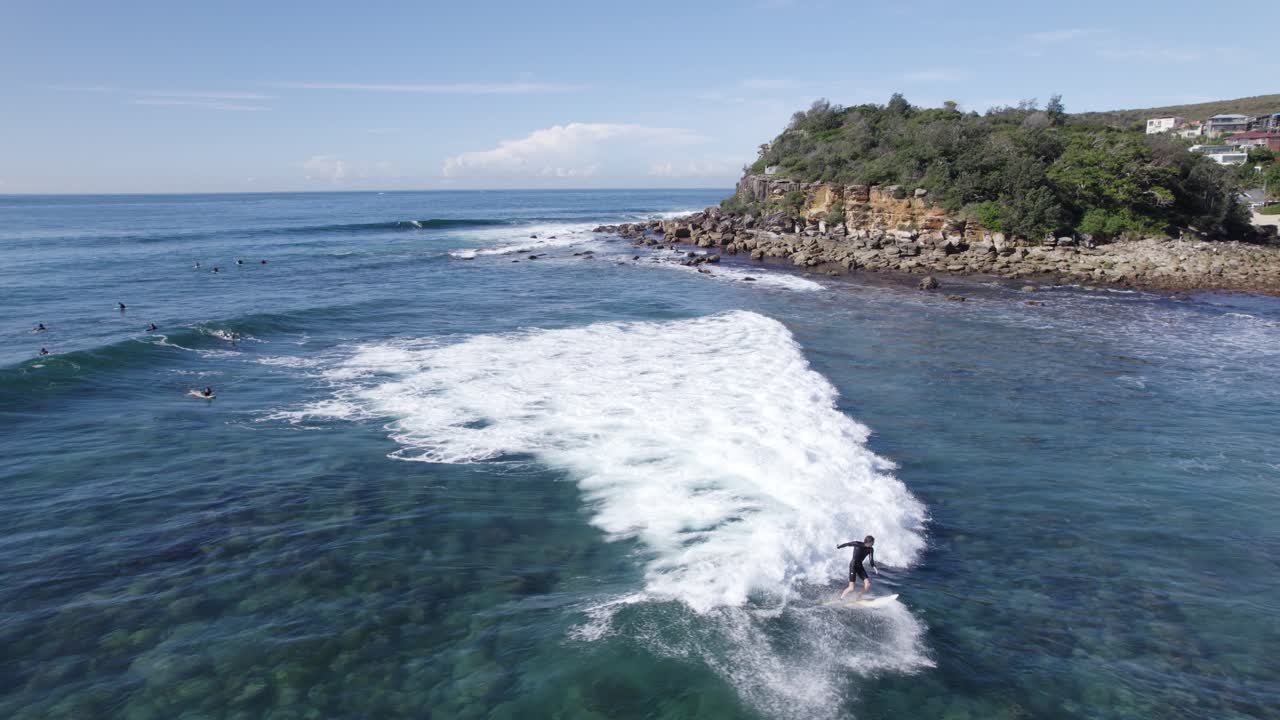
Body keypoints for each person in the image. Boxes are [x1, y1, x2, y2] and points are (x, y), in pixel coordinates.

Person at [837, 535, 877, 600]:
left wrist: (874, 567)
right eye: (872, 542)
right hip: (853, 565)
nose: (873, 544)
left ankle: (858, 597)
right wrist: (839, 546)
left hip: (860, 566)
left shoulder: (871, 549)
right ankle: (841, 599)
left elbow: (871, 559)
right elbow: (848, 544)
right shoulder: (857, 544)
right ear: (869, 542)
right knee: (851, 588)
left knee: (867, 584)